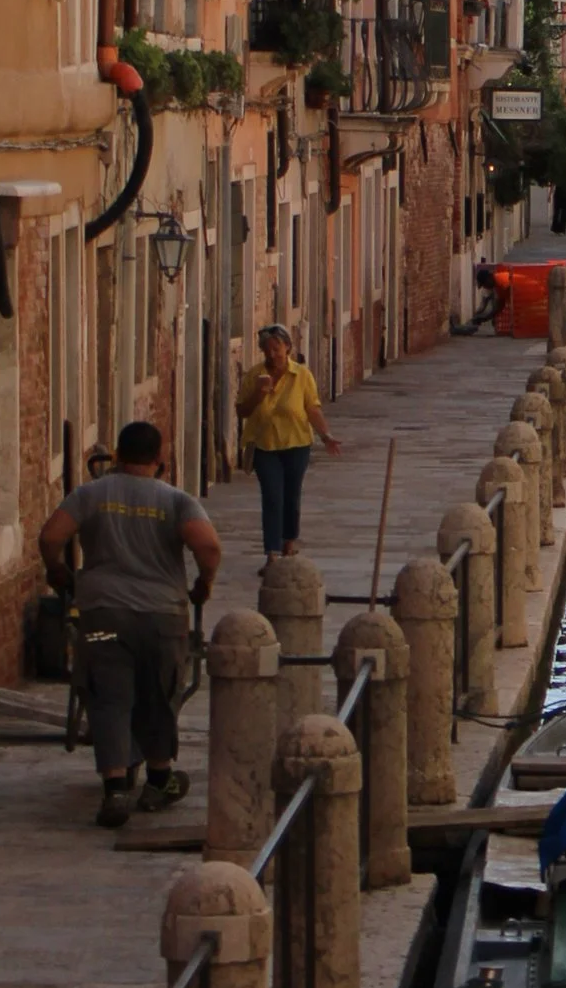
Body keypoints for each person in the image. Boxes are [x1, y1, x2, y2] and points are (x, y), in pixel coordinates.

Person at [37, 424, 221, 830]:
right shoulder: (176, 501)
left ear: (118, 454)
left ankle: (115, 788)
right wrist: (203, 584)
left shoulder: (91, 494)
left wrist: (60, 572)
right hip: (162, 616)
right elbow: (207, 546)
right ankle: (159, 780)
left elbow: (51, 536)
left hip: (103, 614)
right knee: (160, 692)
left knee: (109, 696)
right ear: (159, 459)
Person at [236, 324, 342, 558]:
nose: (272, 354)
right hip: (264, 445)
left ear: (288, 348)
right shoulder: (254, 376)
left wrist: (326, 436)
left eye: (277, 348)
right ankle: (272, 552)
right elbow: (242, 410)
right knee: (272, 496)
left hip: (297, 445)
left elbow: (312, 408)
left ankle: (288, 543)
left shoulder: (302, 375)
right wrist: (259, 394)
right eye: (267, 349)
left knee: (291, 496)